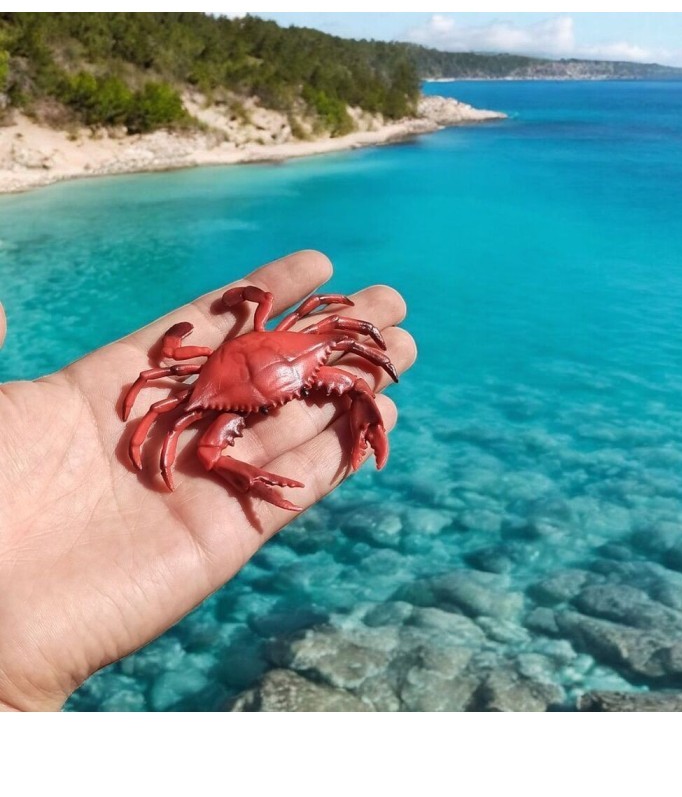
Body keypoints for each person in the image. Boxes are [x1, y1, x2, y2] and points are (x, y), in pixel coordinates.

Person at [0, 250, 416, 712]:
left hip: (270, 362)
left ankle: (364, 434)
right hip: (243, 373)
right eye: (259, 408)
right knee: (205, 449)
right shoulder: (198, 382)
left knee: (360, 386)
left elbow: (352, 331)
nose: (279, 405)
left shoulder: (307, 334)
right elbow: (163, 406)